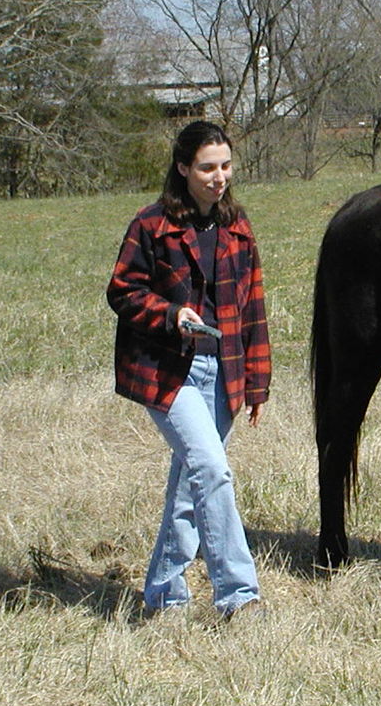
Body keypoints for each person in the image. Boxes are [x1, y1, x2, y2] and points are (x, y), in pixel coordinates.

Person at [107, 121, 270, 622]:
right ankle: (239, 596)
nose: (218, 177)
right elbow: (122, 291)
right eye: (207, 167)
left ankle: (163, 594)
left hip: (224, 372)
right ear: (183, 169)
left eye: (225, 165)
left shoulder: (237, 228)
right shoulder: (151, 225)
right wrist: (170, 314)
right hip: (167, 371)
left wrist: (257, 383)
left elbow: (252, 311)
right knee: (212, 470)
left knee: (189, 484)